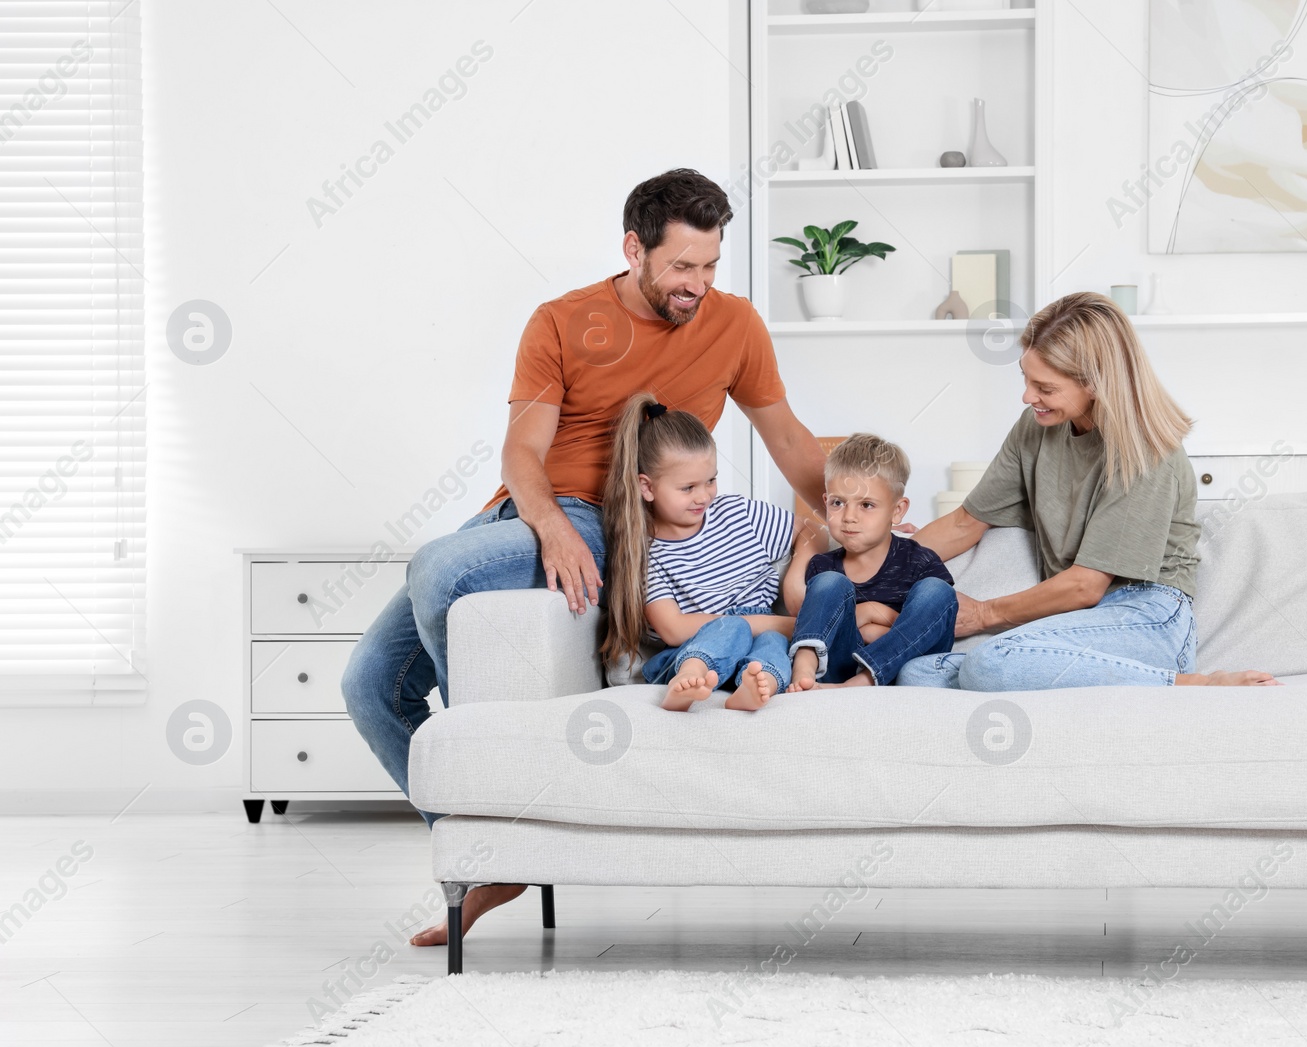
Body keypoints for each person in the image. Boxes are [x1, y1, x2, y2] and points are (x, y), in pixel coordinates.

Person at [342, 169, 826, 946]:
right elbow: (521, 450)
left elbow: (796, 446)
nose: (698, 285)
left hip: (615, 515)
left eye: (710, 266)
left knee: (436, 569)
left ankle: (495, 806)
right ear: (634, 249)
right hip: (529, 513)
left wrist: (869, 513)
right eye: (681, 267)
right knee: (368, 684)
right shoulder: (562, 321)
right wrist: (549, 524)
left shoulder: (735, 326)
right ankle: (490, 851)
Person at [902, 292, 1279, 690]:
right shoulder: (1034, 429)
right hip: (1076, 623)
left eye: (1045, 387)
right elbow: (964, 523)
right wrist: (873, 572)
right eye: (1026, 379)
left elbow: (1085, 586)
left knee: (989, 664)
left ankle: (1191, 685)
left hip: (1148, 616)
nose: (1028, 397)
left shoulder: (1148, 452)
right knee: (915, 672)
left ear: (1096, 383)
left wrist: (983, 615)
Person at [601, 393, 823, 711]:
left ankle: (757, 685)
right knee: (733, 628)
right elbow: (673, 628)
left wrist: (796, 576)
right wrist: (776, 623)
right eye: (688, 488)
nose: (704, 496)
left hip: (758, 643)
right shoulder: (646, 551)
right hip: (694, 650)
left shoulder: (737, 514)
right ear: (647, 487)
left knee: (774, 645)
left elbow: (813, 531)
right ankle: (688, 681)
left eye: (711, 481)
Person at [787, 434, 957, 690]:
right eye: (838, 503)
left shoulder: (920, 561)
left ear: (897, 510)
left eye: (866, 505)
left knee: (938, 591)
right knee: (829, 583)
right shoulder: (822, 567)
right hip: (840, 663)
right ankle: (804, 672)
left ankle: (864, 680)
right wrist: (865, 626)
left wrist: (872, 618)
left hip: (909, 662)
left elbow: (935, 624)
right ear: (826, 504)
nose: (849, 517)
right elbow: (826, 625)